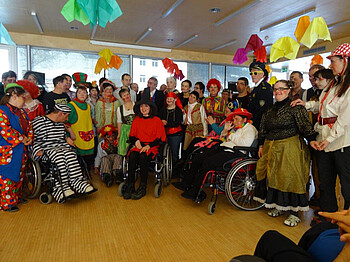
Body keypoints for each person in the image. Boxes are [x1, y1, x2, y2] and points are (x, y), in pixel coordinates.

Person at [291, 43, 350, 220]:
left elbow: (345, 117)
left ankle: (346, 222)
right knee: (325, 183)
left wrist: (330, 139)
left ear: (345, 61)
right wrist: (306, 104)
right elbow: (323, 107)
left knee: (347, 185)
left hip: (341, 142)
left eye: (334, 61)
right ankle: (327, 218)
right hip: (323, 138)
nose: (331, 65)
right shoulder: (333, 84)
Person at [254, 80, 318, 227]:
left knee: (291, 178)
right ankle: (278, 205)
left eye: (281, 89)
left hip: (290, 147)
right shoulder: (269, 109)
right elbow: (263, 129)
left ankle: (294, 213)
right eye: (275, 89)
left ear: (288, 90)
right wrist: (261, 145)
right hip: (271, 146)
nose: (278, 92)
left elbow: (305, 127)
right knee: (273, 177)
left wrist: (313, 140)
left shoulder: (295, 107)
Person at [180, 108, 257, 202]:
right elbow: (223, 139)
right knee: (198, 157)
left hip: (236, 153)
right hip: (223, 147)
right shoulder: (235, 129)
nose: (235, 121)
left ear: (244, 119)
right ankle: (186, 183)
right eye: (234, 119)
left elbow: (244, 144)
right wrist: (225, 130)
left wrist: (231, 136)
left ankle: (196, 191)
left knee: (208, 162)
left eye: (237, 119)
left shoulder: (250, 129)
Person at [32, 104, 96, 203]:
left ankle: (78, 183)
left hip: (61, 147)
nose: (67, 119)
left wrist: (67, 139)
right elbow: (32, 139)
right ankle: (61, 188)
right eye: (66, 116)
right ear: (61, 113)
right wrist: (37, 150)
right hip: (46, 149)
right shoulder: (39, 122)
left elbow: (62, 138)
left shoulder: (60, 124)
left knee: (71, 155)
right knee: (59, 157)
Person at [123, 89, 166, 200]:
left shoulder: (156, 120)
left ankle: (143, 186)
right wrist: (135, 141)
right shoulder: (137, 120)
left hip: (151, 147)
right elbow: (132, 136)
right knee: (132, 156)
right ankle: (130, 184)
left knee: (143, 157)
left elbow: (161, 138)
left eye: (146, 106)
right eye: (142, 106)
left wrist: (149, 146)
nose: (144, 108)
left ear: (150, 108)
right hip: (139, 146)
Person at [0, 83, 33, 212]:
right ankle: (7, 203)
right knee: (7, 176)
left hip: (21, 149)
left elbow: (29, 126)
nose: (24, 100)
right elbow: (4, 129)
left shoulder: (22, 112)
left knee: (20, 174)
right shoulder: (2, 111)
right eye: (23, 97)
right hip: (8, 150)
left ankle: (16, 198)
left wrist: (29, 137)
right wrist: (21, 138)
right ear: (14, 96)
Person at [67, 87, 95, 167]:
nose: (82, 94)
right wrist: (71, 133)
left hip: (88, 134)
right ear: (76, 94)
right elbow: (66, 122)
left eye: (84, 92)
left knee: (88, 159)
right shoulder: (71, 105)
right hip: (76, 136)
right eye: (80, 92)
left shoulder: (88, 106)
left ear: (87, 95)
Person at [159, 92, 184, 173]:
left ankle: (174, 172)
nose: (169, 100)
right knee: (162, 153)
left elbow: (178, 122)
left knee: (174, 154)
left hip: (175, 135)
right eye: (167, 98)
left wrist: (167, 123)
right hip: (164, 134)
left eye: (171, 98)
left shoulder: (178, 110)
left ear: (175, 99)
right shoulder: (162, 110)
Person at [247, 61, 273, 130]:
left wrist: (252, 122)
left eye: (255, 73)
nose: (252, 75)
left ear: (263, 74)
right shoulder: (256, 87)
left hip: (259, 125)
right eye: (251, 73)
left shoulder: (265, 87)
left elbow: (262, 110)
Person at [116, 88, 135, 157]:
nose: (127, 96)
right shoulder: (120, 109)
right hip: (125, 130)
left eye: (128, 94)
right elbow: (119, 122)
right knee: (125, 149)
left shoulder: (136, 106)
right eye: (124, 95)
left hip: (135, 129)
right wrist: (119, 135)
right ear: (121, 98)